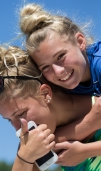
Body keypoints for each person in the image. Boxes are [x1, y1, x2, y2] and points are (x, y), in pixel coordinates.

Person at [0, 43, 101, 171]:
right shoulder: (32, 144)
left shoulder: (97, 106)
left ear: (46, 93)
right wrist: (25, 157)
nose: (17, 128)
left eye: (21, 114)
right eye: (9, 121)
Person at [18, 3, 101, 144]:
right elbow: (46, 142)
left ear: (80, 42)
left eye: (60, 56)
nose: (58, 71)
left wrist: (85, 151)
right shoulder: (54, 86)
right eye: (45, 67)